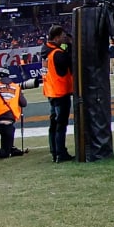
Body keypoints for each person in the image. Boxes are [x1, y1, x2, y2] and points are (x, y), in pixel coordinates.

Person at [43, 24, 75, 164]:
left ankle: (55, 151)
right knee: (60, 125)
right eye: (62, 36)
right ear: (56, 38)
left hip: (51, 91)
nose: (65, 38)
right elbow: (71, 61)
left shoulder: (47, 51)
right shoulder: (57, 54)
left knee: (54, 125)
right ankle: (60, 153)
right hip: (60, 92)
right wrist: (71, 45)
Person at [0, 68, 26, 158]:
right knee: (6, 153)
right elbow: (24, 103)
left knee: (6, 136)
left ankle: (9, 148)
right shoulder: (16, 87)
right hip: (8, 123)